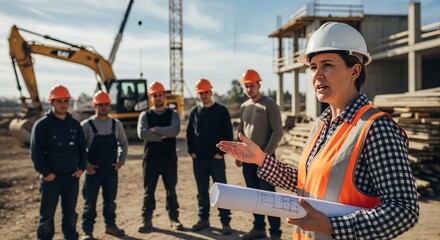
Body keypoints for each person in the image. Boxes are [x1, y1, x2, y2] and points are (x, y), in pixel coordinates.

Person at [217, 22, 419, 240]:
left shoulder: (376, 128)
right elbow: (308, 183)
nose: (317, 75)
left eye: (327, 65)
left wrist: (333, 225)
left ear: (355, 70)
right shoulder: (321, 124)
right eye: (313, 67)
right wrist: (261, 159)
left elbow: (404, 210)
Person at [30, 84, 87, 240]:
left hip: (71, 178)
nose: (63, 104)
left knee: (70, 213)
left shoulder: (75, 125)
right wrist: (46, 173)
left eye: (65, 101)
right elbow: (36, 152)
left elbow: (83, 148)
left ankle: (70, 237)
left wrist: (81, 168)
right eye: (59, 101)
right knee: (47, 215)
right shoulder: (42, 125)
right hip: (51, 180)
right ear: (52, 102)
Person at [235, 69, 283, 240]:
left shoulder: (269, 104)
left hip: (265, 161)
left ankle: (275, 233)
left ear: (258, 85)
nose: (249, 89)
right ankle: (259, 228)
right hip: (248, 160)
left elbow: (277, 132)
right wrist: (239, 154)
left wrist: (265, 156)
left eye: (252, 86)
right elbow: (241, 131)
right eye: (247, 86)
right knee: (253, 196)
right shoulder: (244, 106)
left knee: (269, 196)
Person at [186, 79, 233, 235]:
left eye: (206, 92)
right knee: (202, 191)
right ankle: (203, 219)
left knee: (222, 191)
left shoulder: (221, 111)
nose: (204, 95)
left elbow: (228, 133)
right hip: (199, 160)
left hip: (216, 160)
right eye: (201, 93)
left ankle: (225, 222)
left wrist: (221, 153)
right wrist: (191, 152)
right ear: (198, 94)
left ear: (211, 92)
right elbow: (189, 134)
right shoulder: (194, 112)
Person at [80, 91, 128, 240]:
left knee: (110, 201)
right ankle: (87, 231)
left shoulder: (116, 124)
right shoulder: (87, 126)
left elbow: (124, 143)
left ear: (109, 105)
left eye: (106, 104)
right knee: (90, 203)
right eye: (100, 105)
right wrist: (86, 165)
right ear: (95, 105)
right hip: (93, 171)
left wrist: (121, 161)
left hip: (110, 170)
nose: (104, 107)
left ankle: (110, 226)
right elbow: (79, 149)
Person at [137, 82, 184, 232]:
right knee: (148, 191)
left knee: (171, 190)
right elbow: (142, 133)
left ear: (164, 96)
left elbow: (175, 130)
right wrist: (163, 135)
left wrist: (156, 130)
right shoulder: (145, 115)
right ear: (151, 97)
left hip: (169, 159)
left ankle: (174, 218)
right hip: (150, 159)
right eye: (155, 95)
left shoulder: (173, 114)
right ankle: (147, 220)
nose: (158, 98)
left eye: (160, 95)